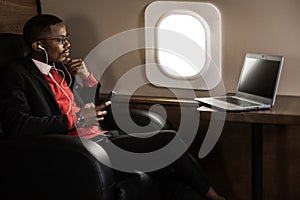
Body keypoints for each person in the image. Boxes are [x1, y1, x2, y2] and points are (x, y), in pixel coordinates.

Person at [0, 14, 225, 200]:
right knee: (168, 141)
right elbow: (19, 125)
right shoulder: (16, 74)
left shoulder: (60, 70)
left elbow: (80, 104)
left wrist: (86, 78)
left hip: (100, 137)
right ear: (38, 45)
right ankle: (216, 198)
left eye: (67, 37)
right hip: (77, 148)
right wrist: (77, 120)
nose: (67, 44)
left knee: (164, 172)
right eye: (60, 40)